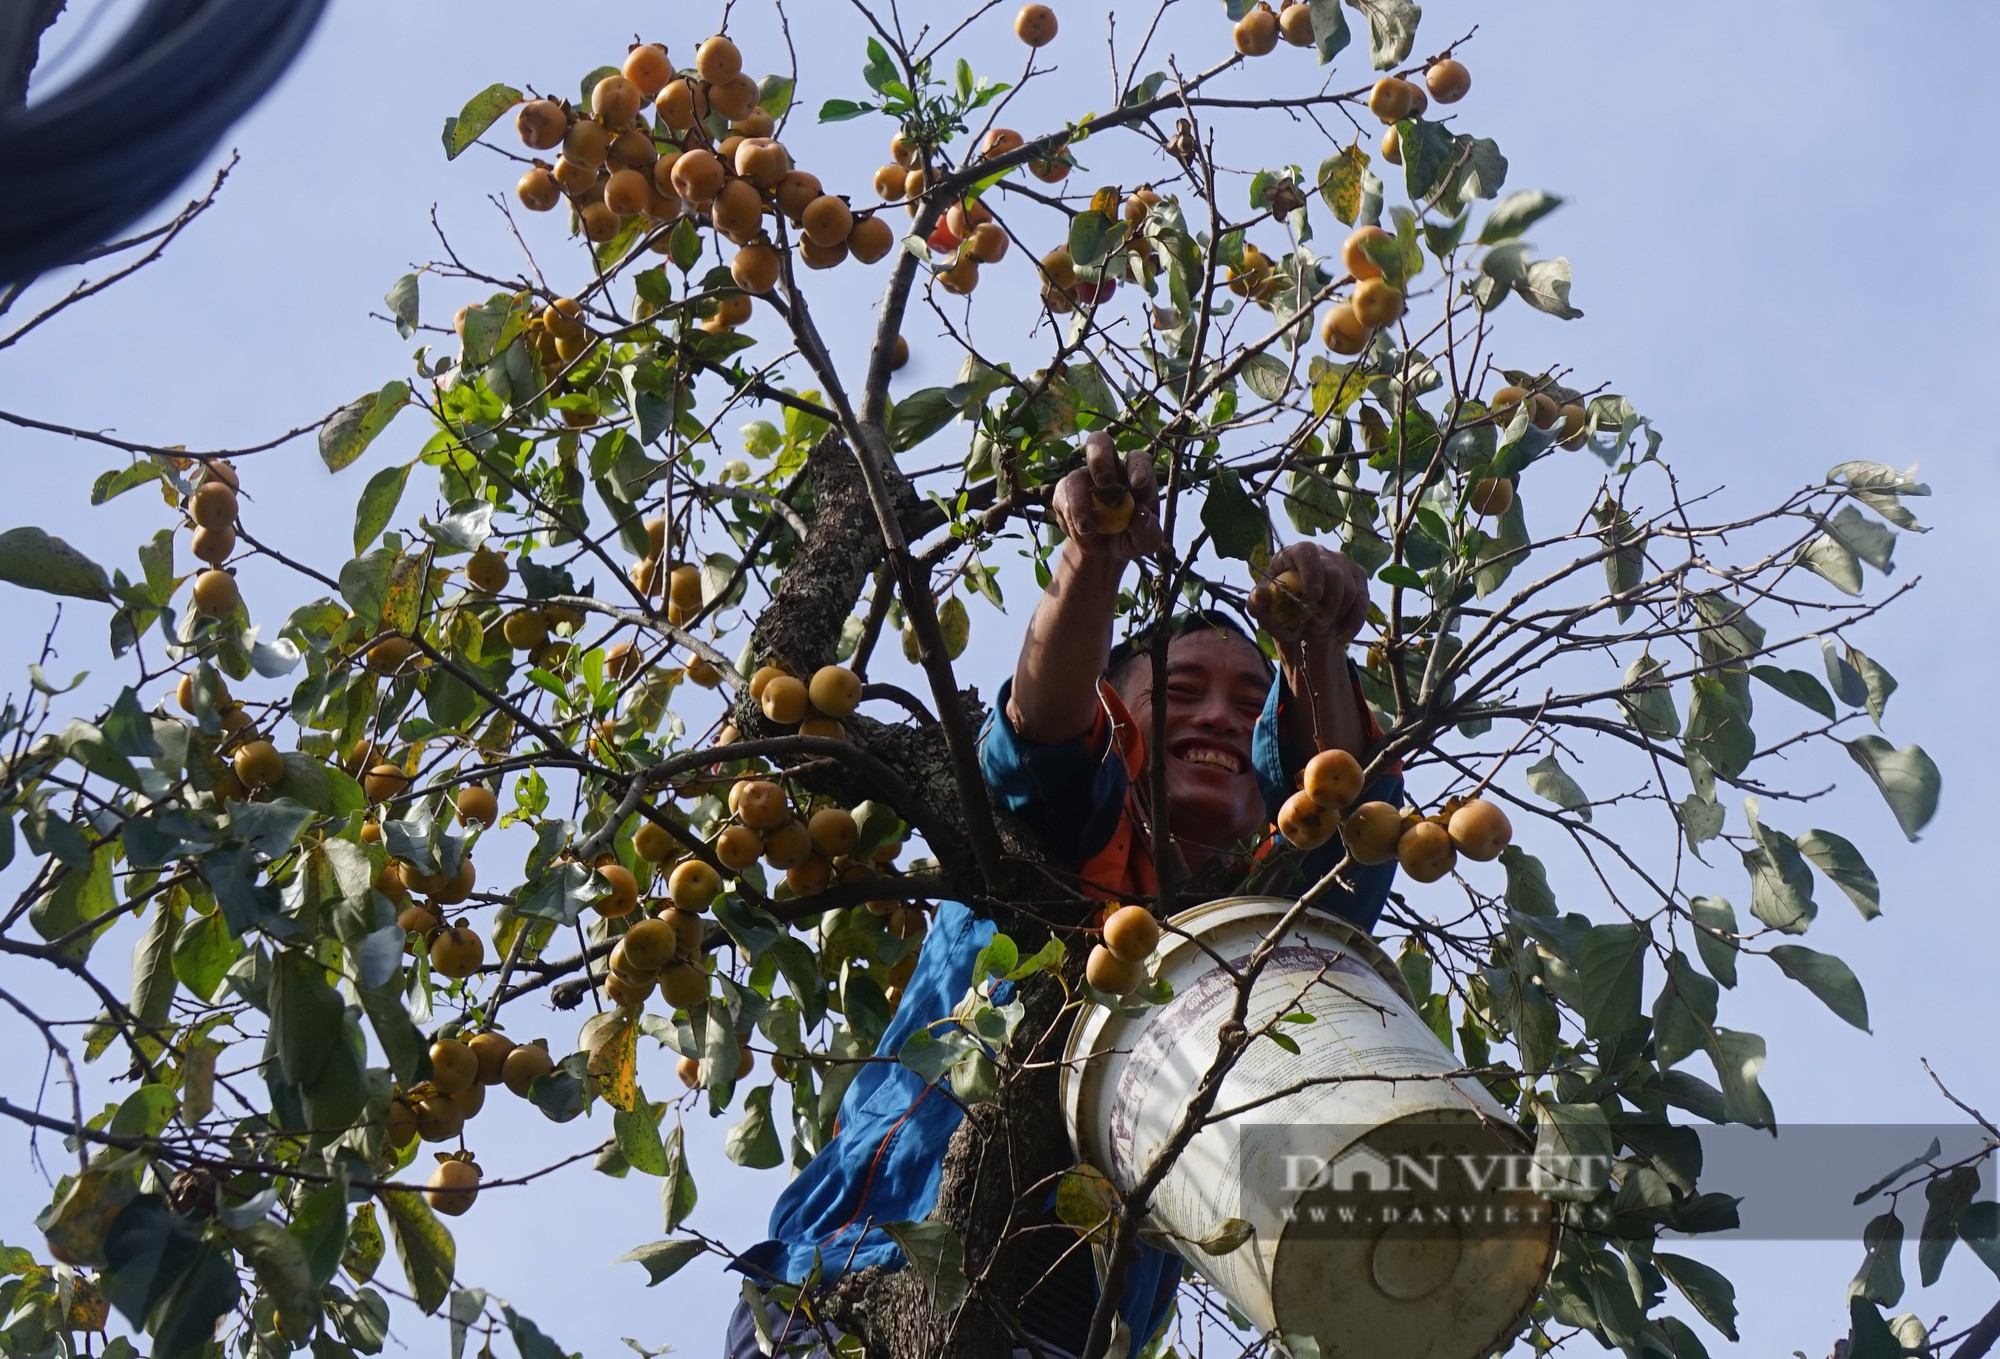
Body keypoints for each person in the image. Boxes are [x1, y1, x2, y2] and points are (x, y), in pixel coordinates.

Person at [726, 432, 1403, 1358]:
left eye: (1250, 707)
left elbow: (1349, 830)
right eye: (1186, 689)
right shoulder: (1048, 846)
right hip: (859, 1281)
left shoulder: (1254, 938)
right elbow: (1043, 733)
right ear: (1119, 716)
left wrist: (1318, 645)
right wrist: (1090, 560)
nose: (1216, 716)